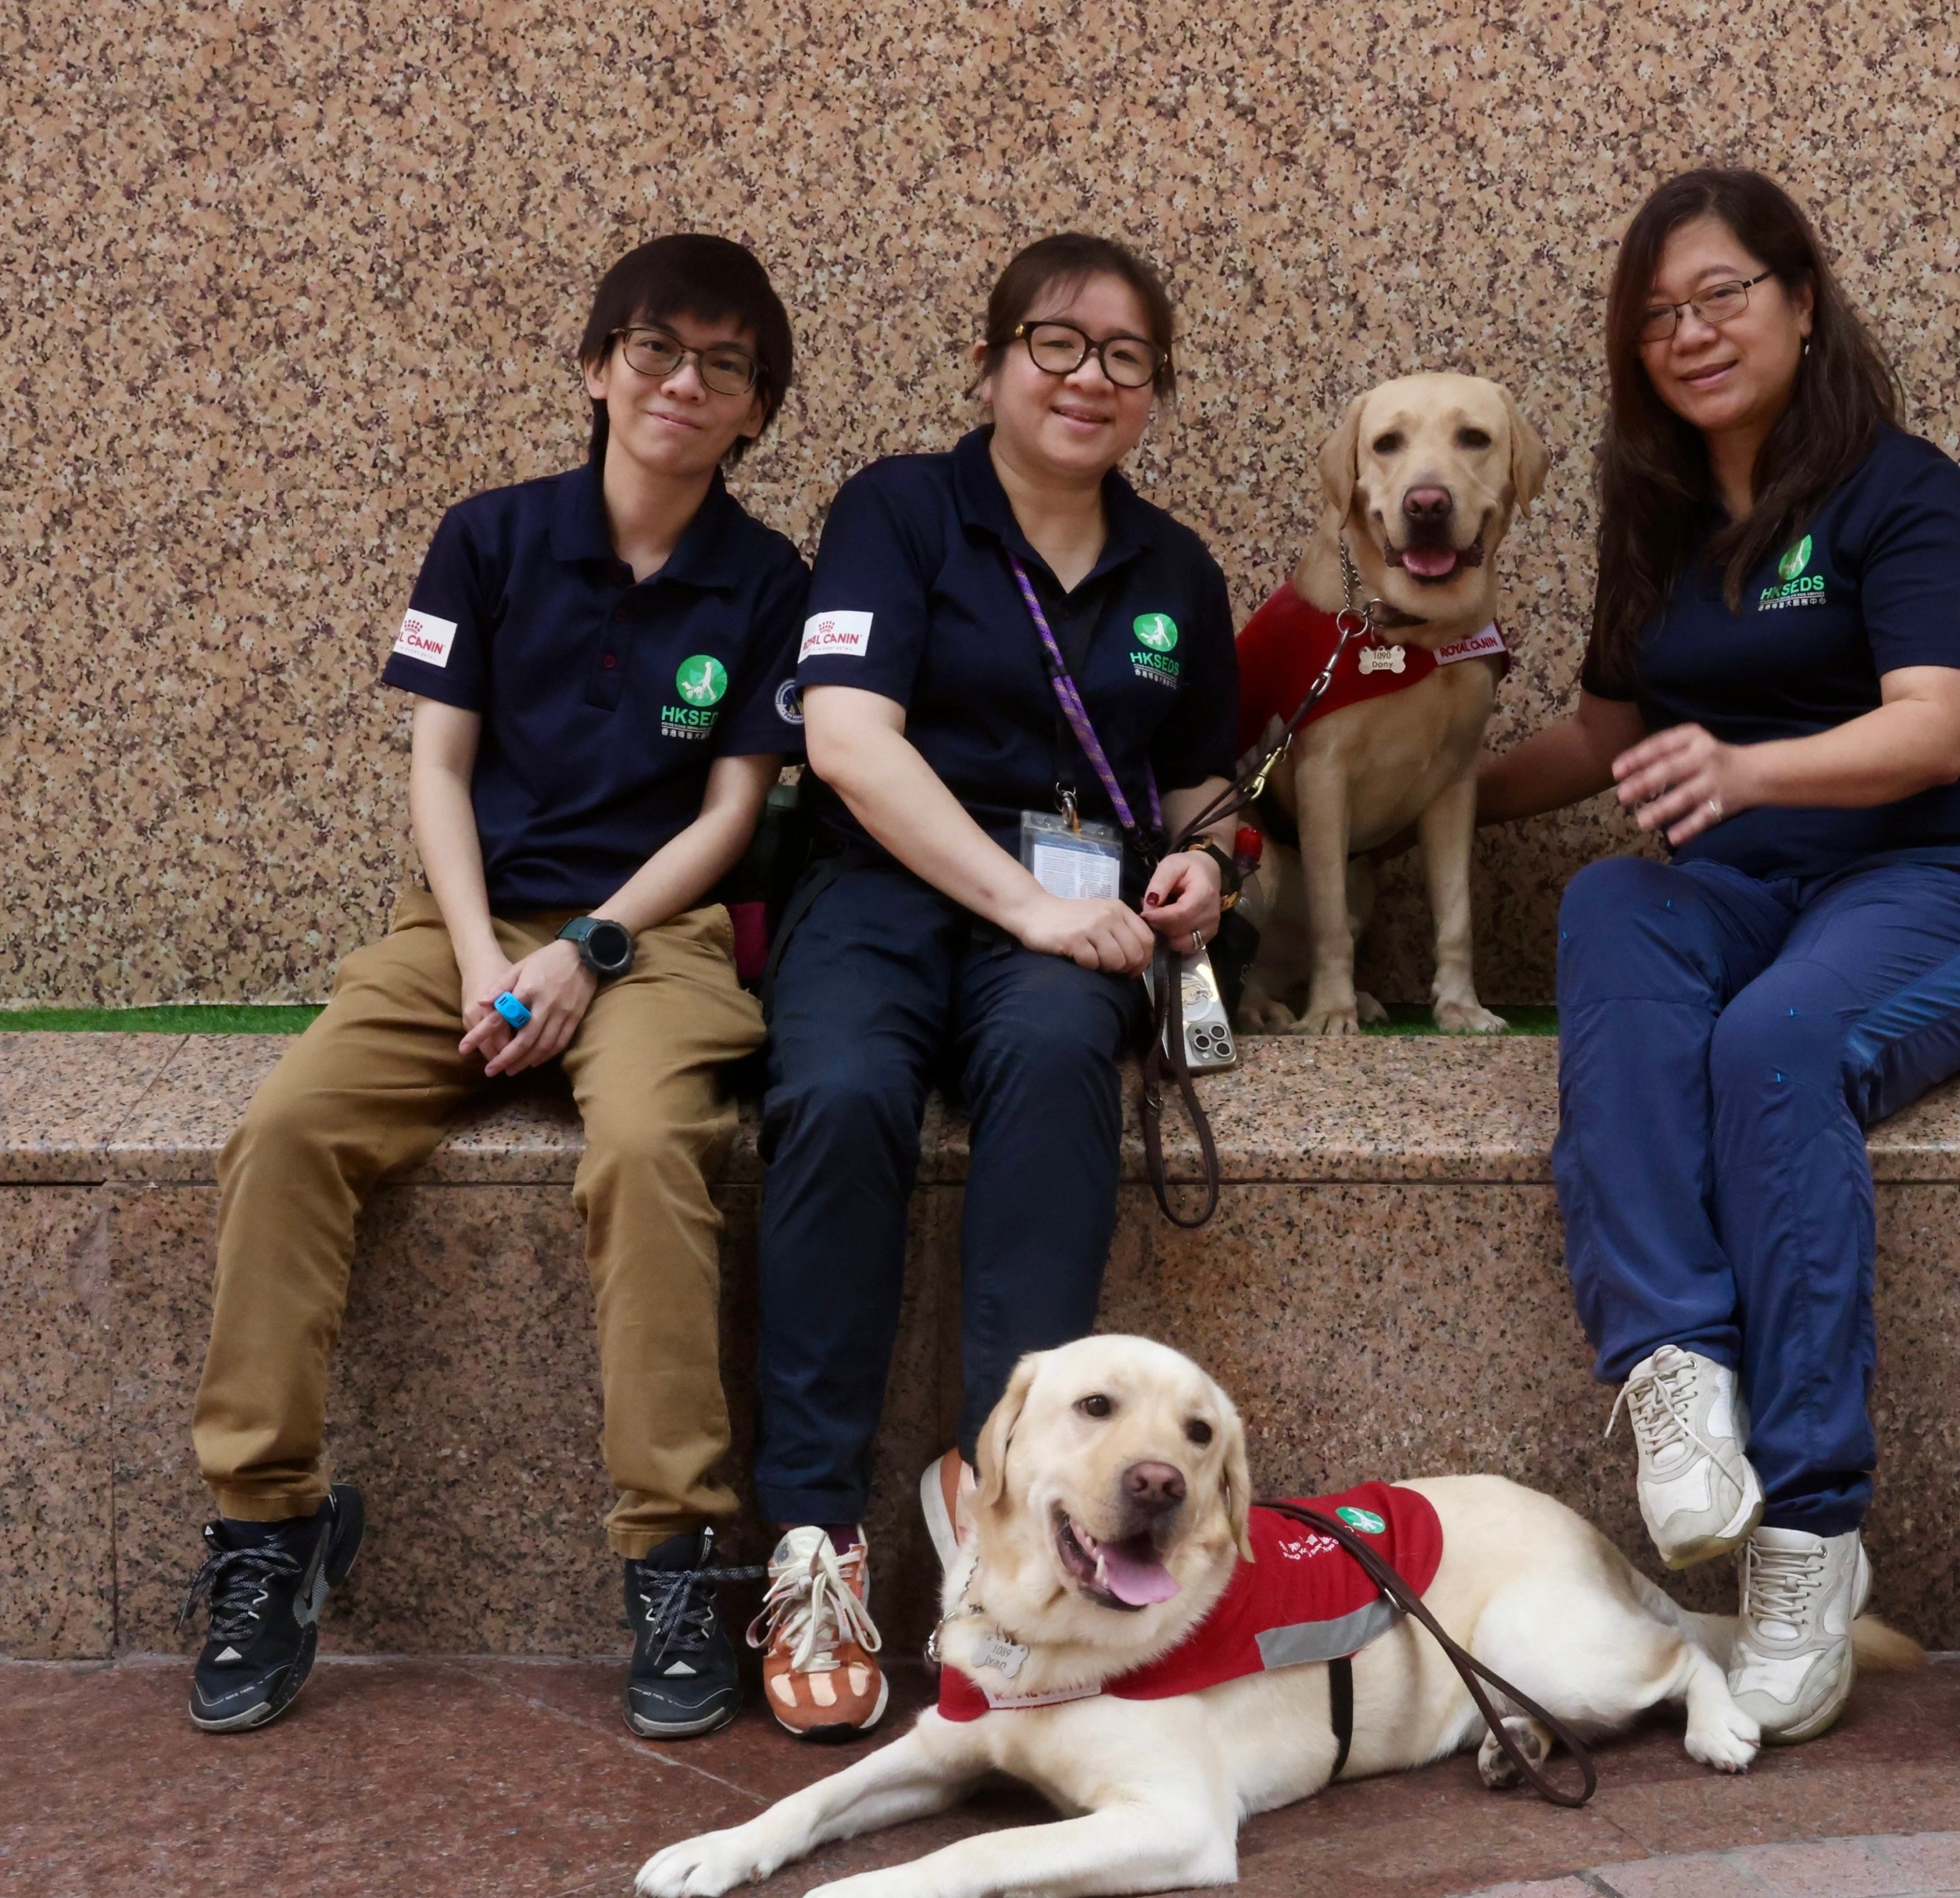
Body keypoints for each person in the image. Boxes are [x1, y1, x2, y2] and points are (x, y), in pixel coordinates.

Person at [182, 234, 808, 1740]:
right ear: (597, 366)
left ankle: (672, 1556)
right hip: (460, 923)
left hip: (651, 938)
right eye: (655, 349)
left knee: (653, 1151)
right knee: (287, 1128)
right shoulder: (490, 536)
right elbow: (439, 763)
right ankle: (269, 1527)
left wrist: (583, 951)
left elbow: (729, 820)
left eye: (723, 365)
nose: (682, 382)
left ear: (755, 412)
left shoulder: (768, 577)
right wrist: (478, 958)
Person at [1478, 169, 1960, 1745]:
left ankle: (1806, 1529)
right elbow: (1601, 734)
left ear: (1804, 302)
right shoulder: (1654, 509)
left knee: (1772, 1046)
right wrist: (1380, 794)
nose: (1691, 331)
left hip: (1933, 883)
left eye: (1722, 293)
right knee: (1607, 905)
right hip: (1736, 887)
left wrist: (1742, 770)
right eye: (1657, 312)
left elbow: (1934, 722)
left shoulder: (1901, 487)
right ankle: (1673, 1365)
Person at [747, 234, 1237, 1740]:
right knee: (832, 1092)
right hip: (887, 893)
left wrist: (1207, 871)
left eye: (1126, 357)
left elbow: (1206, 784)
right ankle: (813, 1535)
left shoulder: (1175, 569)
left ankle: (1006, 1522)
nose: (1088, 377)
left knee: (1050, 1070)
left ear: (1157, 393)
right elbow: (846, 740)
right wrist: (1024, 899)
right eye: (1055, 342)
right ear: (989, 363)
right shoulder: (898, 509)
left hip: (1075, 928)